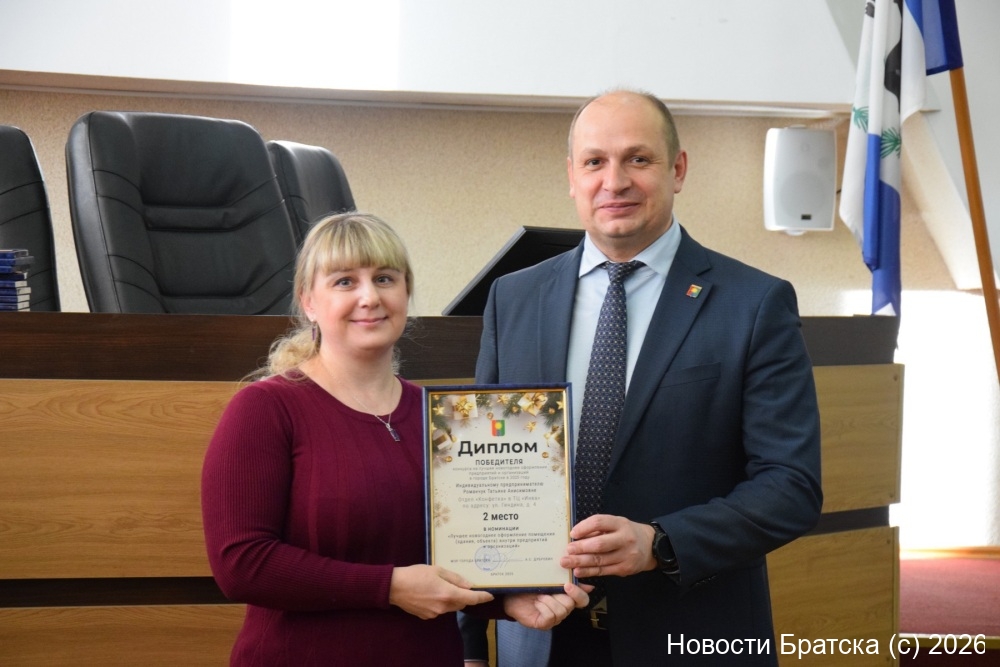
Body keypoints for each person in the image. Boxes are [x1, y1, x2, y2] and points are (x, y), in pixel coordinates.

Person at [459, 90, 823, 665]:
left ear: (677, 169)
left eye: (638, 158)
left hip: (691, 636)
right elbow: (481, 478)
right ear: (572, 177)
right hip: (540, 636)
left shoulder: (754, 304)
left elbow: (790, 487)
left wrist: (661, 543)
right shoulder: (514, 298)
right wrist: (471, 641)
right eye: (595, 161)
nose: (615, 181)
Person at [201, 212, 588, 666]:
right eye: (345, 282)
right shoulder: (265, 409)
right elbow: (241, 563)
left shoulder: (447, 420)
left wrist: (507, 599)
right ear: (308, 301)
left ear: (406, 292)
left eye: (385, 278)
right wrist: (389, 588)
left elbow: (454, 558)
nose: (370, 297)